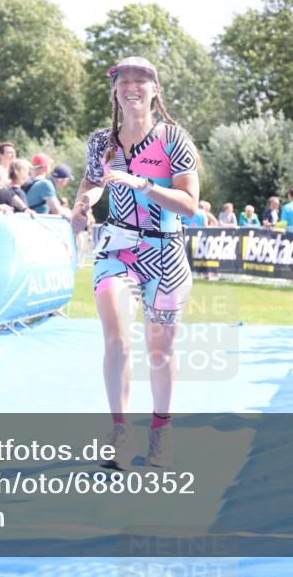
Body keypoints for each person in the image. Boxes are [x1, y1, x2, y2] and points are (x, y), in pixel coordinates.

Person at [70, 57, 200, 471]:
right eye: (123, 81)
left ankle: (160, 432)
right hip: (117, 249)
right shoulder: (101, 142)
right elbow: (92, 182)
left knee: (159, 351)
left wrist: (143, 184)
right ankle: (120, 433)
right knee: (117, 339)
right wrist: (82, 204)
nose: (132, 87)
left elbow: (190, 205)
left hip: (166, 254)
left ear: (155, 90)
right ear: (114, 92)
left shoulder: (174, 139)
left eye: (140, 81)